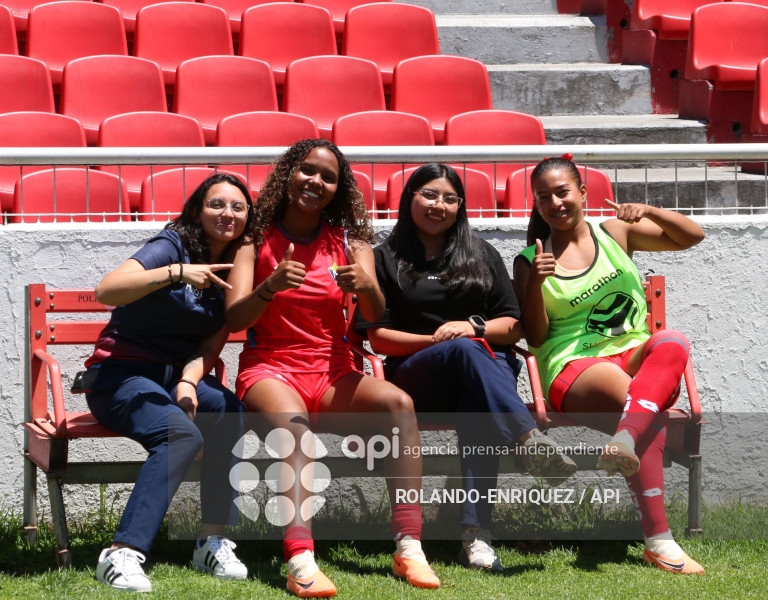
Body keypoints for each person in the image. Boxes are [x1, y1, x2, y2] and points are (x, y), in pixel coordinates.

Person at [225, 139, 440, 598]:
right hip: (270, 368)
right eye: (307, 170)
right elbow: (233, 319)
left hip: (332, 370)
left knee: (399, 404)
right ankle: (300, 558)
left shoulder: (350, 242)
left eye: (328, 177)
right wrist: (269, 287)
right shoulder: (254, 238)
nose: (315, 182)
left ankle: (409, 546)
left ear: (338, 190)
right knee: (296, 431)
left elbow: (376, 312)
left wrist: (367, 286)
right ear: (288, 174)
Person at [356, 163, 578, 573]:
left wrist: (471, 327)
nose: (439, 205)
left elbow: (513, 327)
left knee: (477, 402)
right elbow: (380, 339)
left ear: (460, 206)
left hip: (484, 379)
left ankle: (476, 538)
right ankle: (526, 440)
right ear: (409, 199)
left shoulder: (480, 253)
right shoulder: (384, 258)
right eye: (429, 195)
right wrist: (444, 339)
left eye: (450, 198)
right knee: (466, 351)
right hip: (414, 379)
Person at [513, 156, 706, 575]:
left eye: (562, 192)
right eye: (543, 197)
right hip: (574, 366)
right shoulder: (531, 258)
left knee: (673, 342)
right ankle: (659, 539)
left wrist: (650, 210)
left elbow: (694, 236)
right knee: (640, 411)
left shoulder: (616, 232)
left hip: (636, 359)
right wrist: (536, 285)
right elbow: (537, 337)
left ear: (582, 192)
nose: (555, 203)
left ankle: (625, 445)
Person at [83, 173, 254, 592]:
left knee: (230, 412)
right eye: (217, 204)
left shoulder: (238, 266)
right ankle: (121, 552)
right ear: (197, 209)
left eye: (238, 207)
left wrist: (190, 382)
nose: (227, 214)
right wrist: (178, 273)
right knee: (180, 435)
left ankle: (212, 542)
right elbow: (108, 290)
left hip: (173, 378)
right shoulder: (172, 245)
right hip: (120, 375)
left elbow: (213, 342)